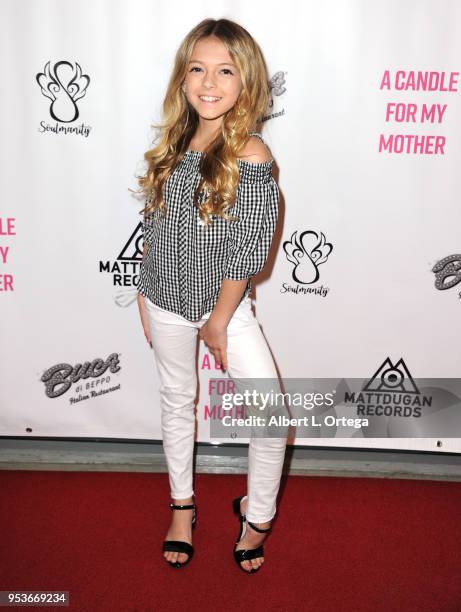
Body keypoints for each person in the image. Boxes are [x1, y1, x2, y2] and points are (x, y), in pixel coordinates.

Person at [135, 17, 287, 574]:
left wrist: (220, 321)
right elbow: (155, 225)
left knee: (269, 416)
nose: (208, 82)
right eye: (197, 68)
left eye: (225, 70)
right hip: (164, 297)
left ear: (246, 82)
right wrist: (142, 293)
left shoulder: (251, 153)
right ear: (182, 78)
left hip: (225, 308)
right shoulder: (175, 141)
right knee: (177, 401)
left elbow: (249, 251)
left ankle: (258, 516)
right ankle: (182, 506)